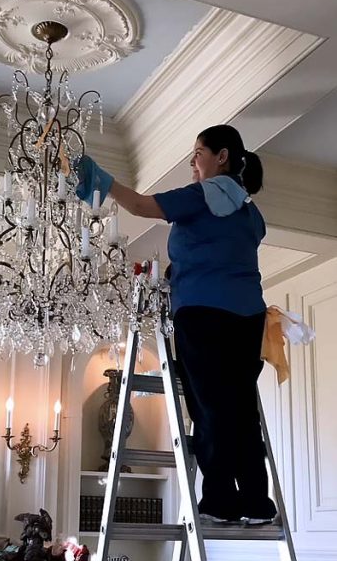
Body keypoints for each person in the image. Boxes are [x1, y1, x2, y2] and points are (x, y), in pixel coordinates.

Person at [76, 124, 278, 526]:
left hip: (203, 314)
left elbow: (139, 206)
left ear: (222, 157)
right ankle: (257, 502)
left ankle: (220, 501)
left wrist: (100, 179)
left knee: (209, 409)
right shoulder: (250, 212)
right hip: (249, 319)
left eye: (198, 153)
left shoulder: (203, 195)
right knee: (240, 410)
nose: (193, 162)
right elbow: (226, 252)